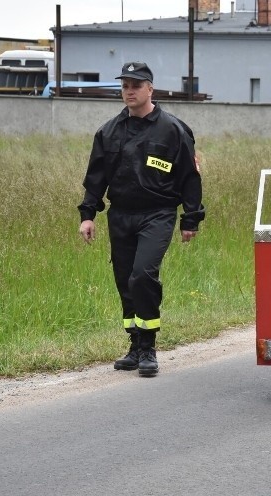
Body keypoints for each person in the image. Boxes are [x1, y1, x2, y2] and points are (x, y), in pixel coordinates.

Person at [77, 61, 206, 377]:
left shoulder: (173, 130)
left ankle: (149, 347)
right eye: (125, 86)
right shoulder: (108, 132)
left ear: (150, 88)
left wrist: (191, 218)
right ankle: (134, 345)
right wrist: (88, 215)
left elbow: (189, 177)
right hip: (121, 215)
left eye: (136, 85)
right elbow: (96, 177)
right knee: (125, 281)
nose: (129, 91)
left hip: (157, 214)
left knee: (143, 275)